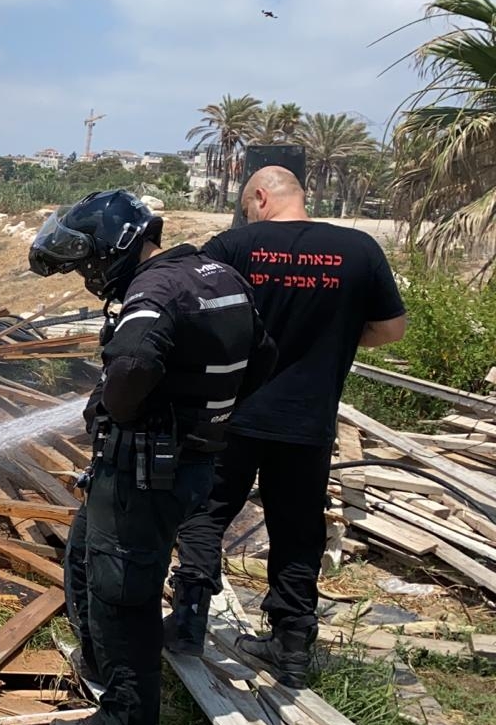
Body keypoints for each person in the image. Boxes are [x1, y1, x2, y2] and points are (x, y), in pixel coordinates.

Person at [28, 190, 276, 725]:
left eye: (87, 261)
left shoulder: (151, 295)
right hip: (191, 463)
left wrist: (124, 410)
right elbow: (264, 356)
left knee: (121, 594)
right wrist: (208, 413)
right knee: (87, 560)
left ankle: (125, 724)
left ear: (115, 247)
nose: (87, 274)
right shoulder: (216, 275)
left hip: (142, 472)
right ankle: (99, 665)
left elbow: (135, 364)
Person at [166, 166, 405, 686]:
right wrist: (337, 338)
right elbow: (391, 328)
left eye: (248, 203)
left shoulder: (232, 246)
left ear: (259, 196)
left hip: (232, 414)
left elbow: (190, 314)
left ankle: (186, 624)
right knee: (298, 533)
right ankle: (292, 647)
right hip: (308, 419)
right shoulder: (358, 249)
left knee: (205, 515)